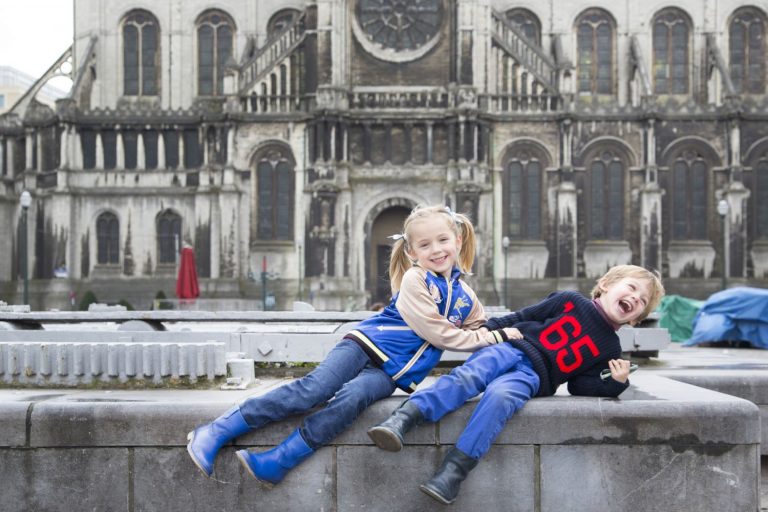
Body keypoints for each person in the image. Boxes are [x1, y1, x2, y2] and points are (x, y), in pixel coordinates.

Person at [186, 205, 515, 483]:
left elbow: (481, 329)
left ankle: (279, 461)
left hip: (393, 373)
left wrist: (512, 334)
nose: (437, 250)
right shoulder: (417, 279)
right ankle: (216, 430)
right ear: (413, 253)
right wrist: (493, 336)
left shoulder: (466, 297)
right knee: (313, 390)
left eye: (443, 240)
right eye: (425, 245)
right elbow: (440, 334)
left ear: (457, 241)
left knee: (351, 400)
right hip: (365, 345)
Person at [367, 264, 665, 505]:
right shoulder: (570, 301)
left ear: (637, 319)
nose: (635, 299)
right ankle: (405, 418)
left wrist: (614, 383)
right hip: (512, 347)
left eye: (641, 302)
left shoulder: (610, 349)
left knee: (500, 399)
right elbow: (523, 316)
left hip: (534, 378)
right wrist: (486, 331)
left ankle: (452, 473)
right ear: (605, 285)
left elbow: (579, 385)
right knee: (470, 376)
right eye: (632, 288)